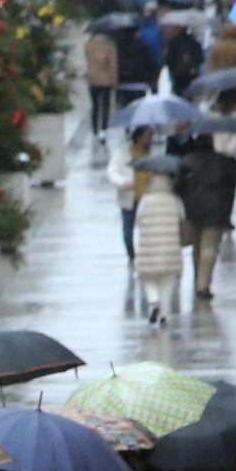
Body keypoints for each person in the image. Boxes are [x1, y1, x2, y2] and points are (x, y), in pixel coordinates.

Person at [175, 134, 236, 303]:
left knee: (197, 247)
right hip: (216, 211)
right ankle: (203, 284)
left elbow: (177, 186)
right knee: (209, 248)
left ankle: (198, 277)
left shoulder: (187, 162)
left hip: (192, 210)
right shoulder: (222, 162)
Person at [134, 159, 187, 323]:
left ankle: (153, 300)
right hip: (170, 247)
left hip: (150, 246)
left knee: (147, 276)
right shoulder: (174, 200)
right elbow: (183, 217)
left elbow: (138, 219)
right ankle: (164, 313)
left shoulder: (146, 200)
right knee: (168, 280)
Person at [108, 126, 148, 263]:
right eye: (147, 135)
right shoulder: (123, 152)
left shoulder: (153, 153)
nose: (150, 139)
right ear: (139, 137)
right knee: (127, 232)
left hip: (147, 199)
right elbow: (112, 171)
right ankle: (132, 255)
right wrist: (124, 183)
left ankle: (144, 256)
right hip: (129, 198)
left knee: (147, 231)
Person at [85, 29, 119, 138]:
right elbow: (113, 64)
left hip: (92, 79)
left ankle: (94, 128)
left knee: (95, 105)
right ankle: (103, 129)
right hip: (106, 80)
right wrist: (115, 80)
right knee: (105, 105)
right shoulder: (110, 45)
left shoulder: (88, 45)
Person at [165, 26, 204, 98]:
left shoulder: (173, 42)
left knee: (179, 95)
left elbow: (168, 60)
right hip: (192, 73)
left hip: (178, 75)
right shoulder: (194, 42)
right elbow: (200, 59)